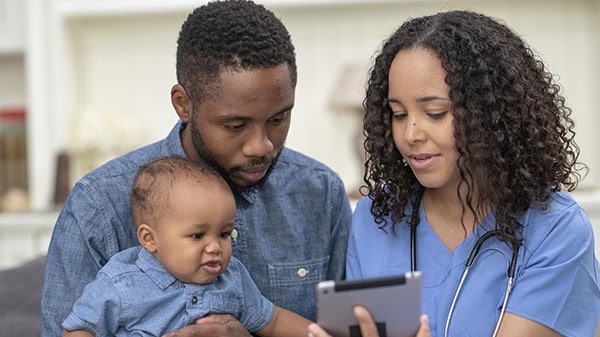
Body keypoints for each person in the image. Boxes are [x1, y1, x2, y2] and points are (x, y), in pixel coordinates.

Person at [41, 1, 352, 336]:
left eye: (278, 119)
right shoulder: (98, 207)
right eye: (235, 125)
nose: (261, 146)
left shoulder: (320, 194)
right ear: (183, 104)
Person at [308, 9, 600, 337]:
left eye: (435, 113)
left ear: (491, 112)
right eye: (398, 114)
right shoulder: (375, 219)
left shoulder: (555, 230)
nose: (410, 134)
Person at [61, 157, 312, 337]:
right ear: (150, 239)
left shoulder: (232, 277)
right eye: (197, 235)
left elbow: (273, 320)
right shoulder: (121, 283)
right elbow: (79, 329)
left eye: (224, 234)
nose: (215, 247)